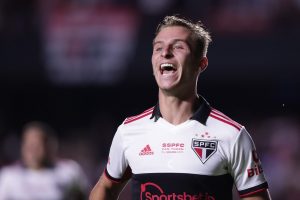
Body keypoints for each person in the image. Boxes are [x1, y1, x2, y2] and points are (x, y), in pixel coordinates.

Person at [89, 15, 271, 200]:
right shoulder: (128, 131)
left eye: (178, 47)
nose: (165, 52)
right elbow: (105, 187)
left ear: (201, 64)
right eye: (158, 47)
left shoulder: (232, 135)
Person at [0, 121, 89, 200]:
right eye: (29, 144)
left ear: (49, 146)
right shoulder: (9, 176)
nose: (32, 150)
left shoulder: (69, 171)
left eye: (37, 145)